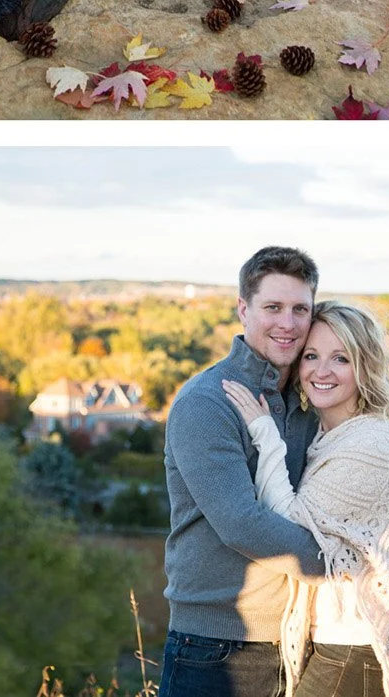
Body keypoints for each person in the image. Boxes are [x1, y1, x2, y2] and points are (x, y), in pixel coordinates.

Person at [223, 301, 389, 697]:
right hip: (338, 642)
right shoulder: (329, 435)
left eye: (340, 358)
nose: (321, 371)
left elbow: (290, 526)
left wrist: (264, 433)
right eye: (312, 356)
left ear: (364, 366)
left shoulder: (369, 443)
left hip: (358, 644)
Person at [160, 246, 327, 697]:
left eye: (300, 309)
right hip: (218, 648)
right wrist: (344, 563)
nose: (287, 324)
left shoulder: (309, 402)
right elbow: (240, 523)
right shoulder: (206, 402)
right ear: (243, 309)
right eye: (273, 307)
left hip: (298, 638)